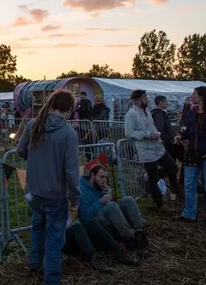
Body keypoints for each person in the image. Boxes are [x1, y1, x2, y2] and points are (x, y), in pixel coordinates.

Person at [17, 90, 80, 283]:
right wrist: (75, 197)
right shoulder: (68, 133)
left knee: (38, 228)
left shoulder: (33, 125)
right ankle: (51, 278)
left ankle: (35, 265)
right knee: (54, 237)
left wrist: (37, 161)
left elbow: (21, 150)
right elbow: (71, 170)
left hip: (35, 191)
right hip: (56, 194)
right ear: (69, 110)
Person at [124, 89, 178, 210]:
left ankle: (145, 178)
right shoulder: (131, 114)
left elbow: (152, 125)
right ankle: (159, 203)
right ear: (138, 100)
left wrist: (156, 135)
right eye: (145, 97)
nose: (147, 100)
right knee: (154, 178)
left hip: (157, 147)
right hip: (146, 150)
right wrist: (148, 134)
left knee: (173, 168)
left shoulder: (147, 111)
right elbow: (129, 132)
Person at [78, 165, 150, 255]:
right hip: (97, 224)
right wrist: (100, 202)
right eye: (101, 177)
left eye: (105, 177)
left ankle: (140, 235)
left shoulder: (100, 188)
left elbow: (114, 208)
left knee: (128, 200)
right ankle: (132, 239)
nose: (104, 180)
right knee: (111, 206)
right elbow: (84, 216)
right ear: (92, 175)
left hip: (110, 219)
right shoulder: (81, 189)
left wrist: (110, 195)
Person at [176, 87, 206, 225]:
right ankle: (189, 214)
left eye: (194, 94)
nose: (191, 96)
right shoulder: (192, 112)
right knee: (189, 184)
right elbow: (190, 132)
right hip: (192, 153)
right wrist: (181, 135)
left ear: (202, 97)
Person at [64, 215, 138, 270]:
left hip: (76, 234)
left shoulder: (67, 202)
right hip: (62, 239)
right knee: (77, 227)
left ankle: (117, 249)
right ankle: (94, 257)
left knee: (90, 222)